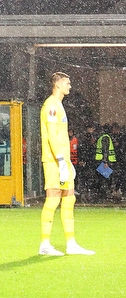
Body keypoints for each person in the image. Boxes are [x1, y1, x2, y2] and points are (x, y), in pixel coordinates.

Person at [39, 72, 94, 256]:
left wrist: (67, 162)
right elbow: (53, 136)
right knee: (53, 199)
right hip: (54, 161)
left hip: (63, 161)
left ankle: (71, 244)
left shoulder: (59, 105)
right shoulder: (51, 106)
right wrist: (61, 161)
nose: (70, 86)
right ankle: (45, 245)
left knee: (69, 199)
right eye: (67, 83)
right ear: (57, 85)